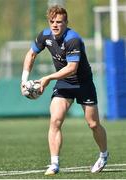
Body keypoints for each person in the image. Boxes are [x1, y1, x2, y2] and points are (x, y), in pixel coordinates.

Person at [21, 5, 108, 175]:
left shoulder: (72, 39)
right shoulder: (45, 35)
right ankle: (54, 163)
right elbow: (31, 54)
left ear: (66, 23)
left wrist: (47, 78)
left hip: (83, 83)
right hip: (63, 84)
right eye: (52, 21)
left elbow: (72, 68)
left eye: (59, 22)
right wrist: (24, 80)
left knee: (93, 124)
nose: (55, 25)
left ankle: (104, 155)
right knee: (55, 120)